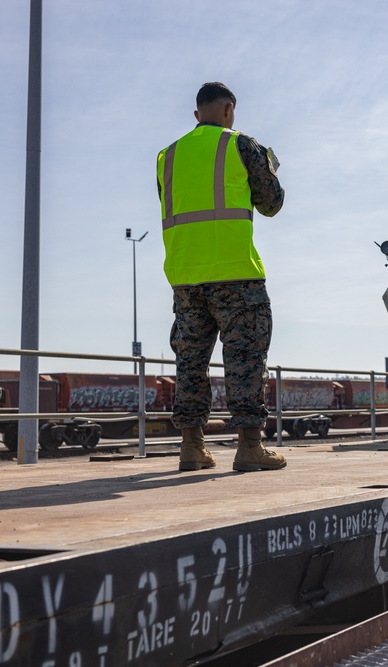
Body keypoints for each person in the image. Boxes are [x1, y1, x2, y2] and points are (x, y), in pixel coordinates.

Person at [157, 82, 287, 472]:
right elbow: (272, 205)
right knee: (245, 358)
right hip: (236, 274)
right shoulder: (242, 145)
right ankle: (249, 448)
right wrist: (270, 169)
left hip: (184, 277)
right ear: (229, 110)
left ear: (197, 116)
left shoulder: (168, 155)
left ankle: (192, 448)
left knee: (190, 362)